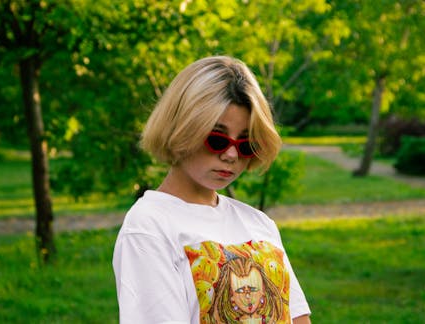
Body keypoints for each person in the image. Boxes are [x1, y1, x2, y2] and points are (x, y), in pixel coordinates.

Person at [112, 56, 311, 323]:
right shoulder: (149, 226)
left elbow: (297, 318)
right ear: (182, 127)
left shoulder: (259, 223)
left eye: (245, 144)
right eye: (217, 138)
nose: (231, 155)